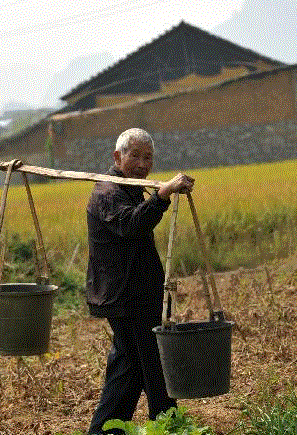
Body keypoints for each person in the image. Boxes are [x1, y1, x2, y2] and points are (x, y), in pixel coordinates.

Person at [87, 128, 194, 434]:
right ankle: (169, 426)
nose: (142, 163)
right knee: (154, 367)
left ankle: (105, 430)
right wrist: (162, 195)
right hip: (126, 298)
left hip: (137, 294)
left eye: (148, 157)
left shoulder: (132, 188)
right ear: (117, 157)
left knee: (129, 366)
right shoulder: (107, 192)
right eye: (135, 155)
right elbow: (132, 225)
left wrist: (158, 195)